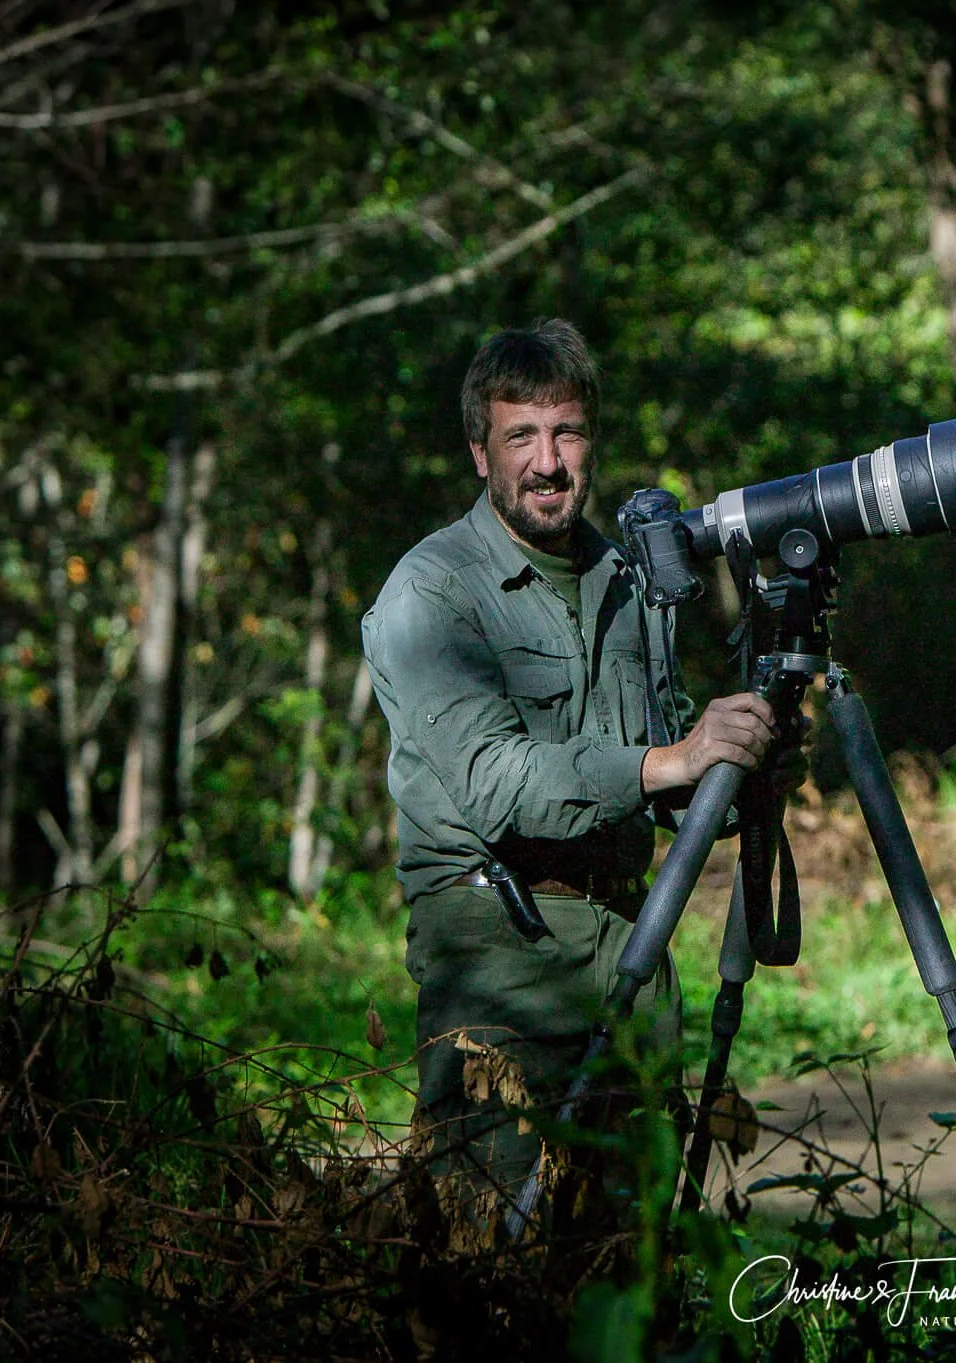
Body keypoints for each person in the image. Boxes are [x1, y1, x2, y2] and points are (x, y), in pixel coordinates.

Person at [361, 318, 788, 1243]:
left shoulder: (625, 579)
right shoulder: (432, 593)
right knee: (498, 1263)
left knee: (630, 1271)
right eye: (522, 437)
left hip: (629, 954)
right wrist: (672, 760)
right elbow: (493, 781)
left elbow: (661, 784)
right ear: (481, 451)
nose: (549, 463)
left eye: (568, 433)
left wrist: (735, 759)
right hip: (498, 970)